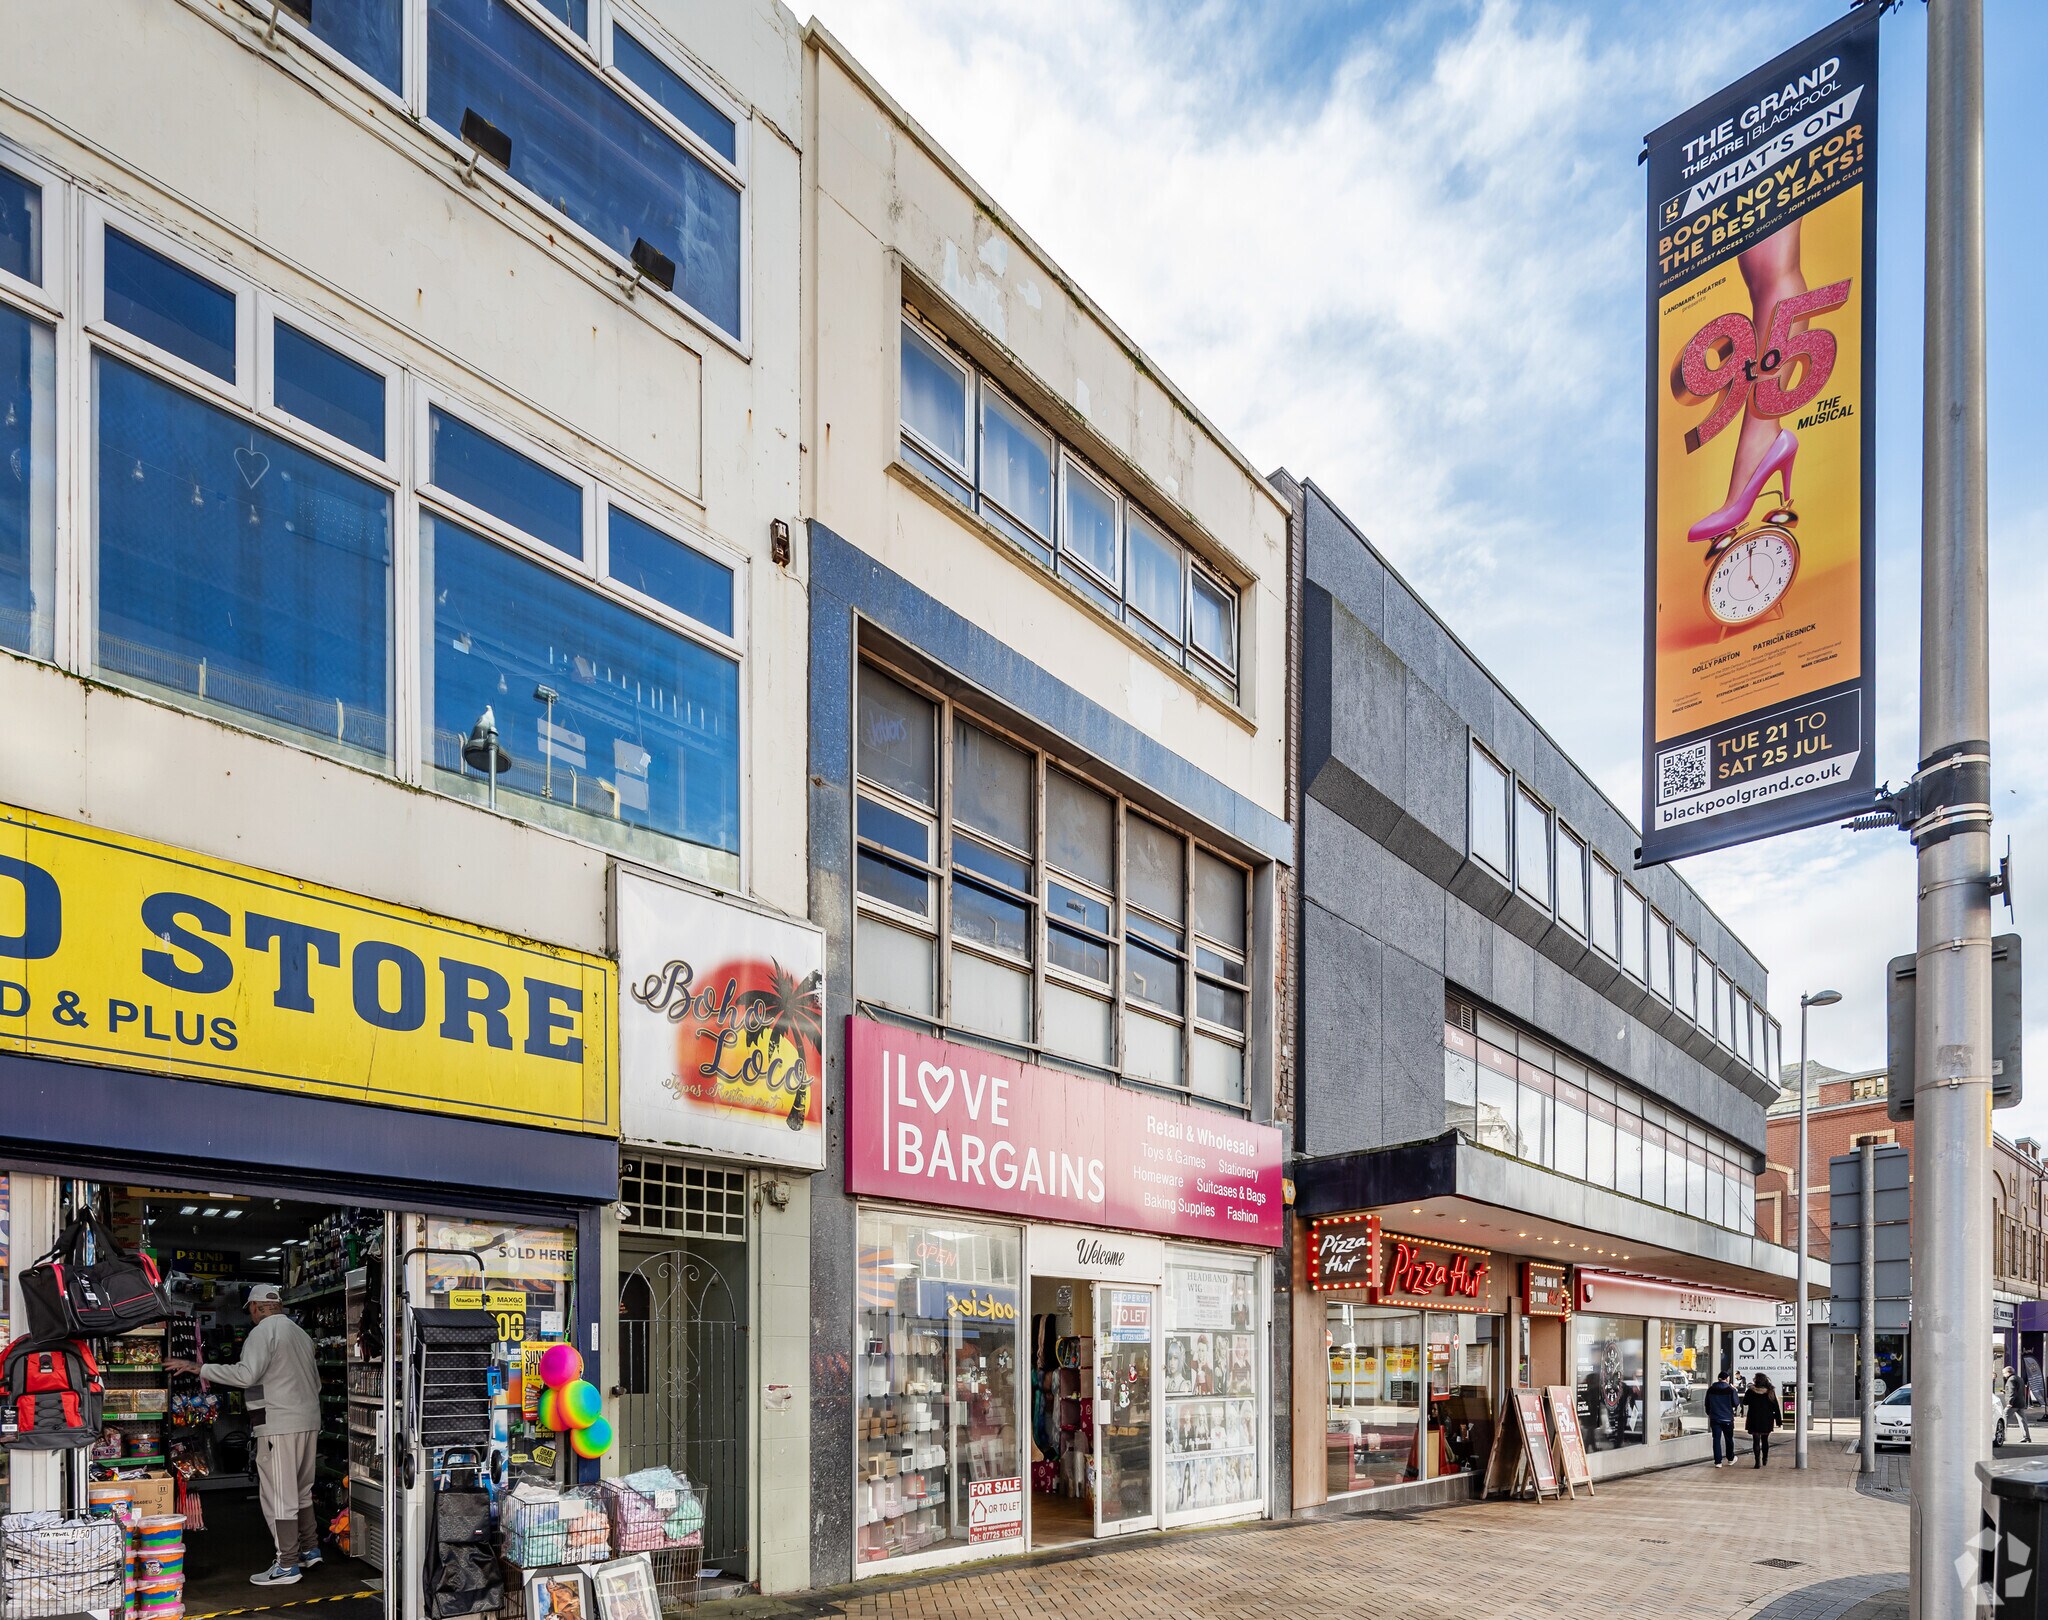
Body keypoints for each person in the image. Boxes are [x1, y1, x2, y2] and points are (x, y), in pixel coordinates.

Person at [167, 1284, 322, 1585]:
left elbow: (245, 1375)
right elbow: (314, 1382)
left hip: (278, 1422)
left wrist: (198, 1368)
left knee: (279, 1496)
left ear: (255, 1307)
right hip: (308, 1419)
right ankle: (310, 1548)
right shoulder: (300, 1334)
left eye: (250, 1309)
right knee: (302, 1490)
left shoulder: (262, 1333)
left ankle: (287, 1564)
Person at [1743, 1373, 1784, 1469]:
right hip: (1767, 1419)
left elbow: (1745, 1402)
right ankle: (1765, 1458)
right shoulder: (1770, 1391)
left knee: (1756, 1441)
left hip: (1754, 1419)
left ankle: (1757, 1461)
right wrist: (1778, 1421)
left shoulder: (1751, 1391)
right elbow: (1776, 1407)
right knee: (1765, 1440)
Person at [1704, 1368, 1739, 1468]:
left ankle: (1718, 1462)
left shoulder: (1711, 1389)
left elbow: (1707, 1404)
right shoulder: (1730, 1390)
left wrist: (1710, 1414)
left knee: (1716, 1440)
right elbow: (1736, 1403)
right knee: (1729, 1439)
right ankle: (1730, 1458)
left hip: (1715, 1418)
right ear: (1727, 1379)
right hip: (1727, 1418)